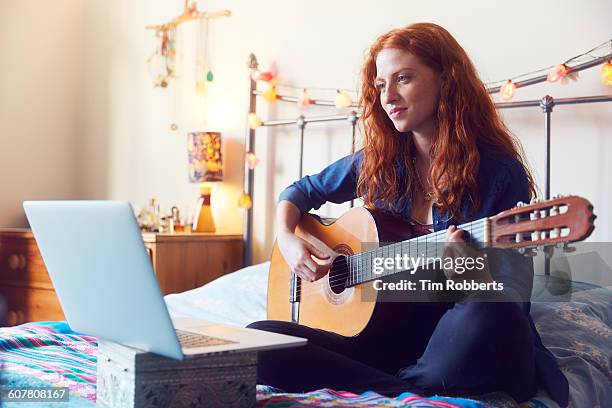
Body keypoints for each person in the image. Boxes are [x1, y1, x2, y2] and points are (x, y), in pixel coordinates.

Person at [248, 22, 569, 407]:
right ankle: (412, 390)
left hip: (460, 338)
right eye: (381, 85)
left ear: (445, 80)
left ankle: (396, 388)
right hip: (386, 340)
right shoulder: (380, 162)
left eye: (403, 78)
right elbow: (297, 194)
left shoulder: (498, 173)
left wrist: (471, 277)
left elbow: (512, 296)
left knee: (492, 312)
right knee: (257, 341)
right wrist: (288, 240)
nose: (389, 96)